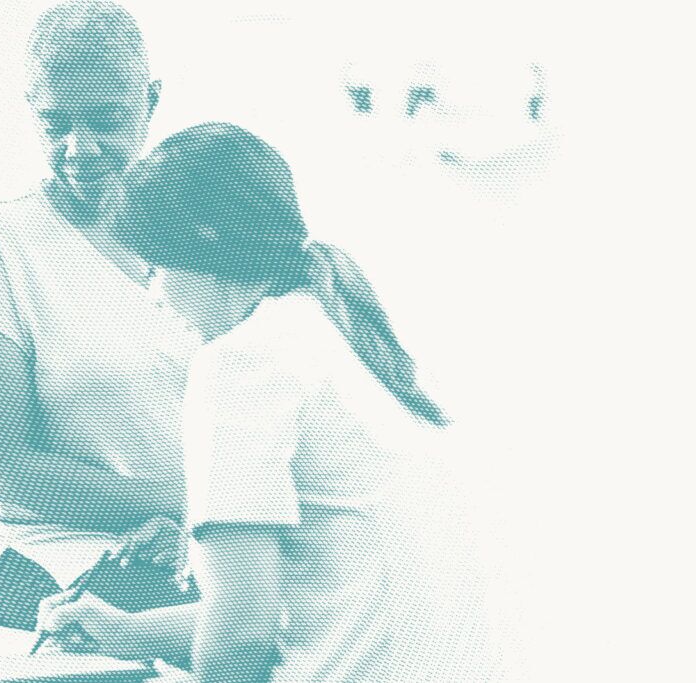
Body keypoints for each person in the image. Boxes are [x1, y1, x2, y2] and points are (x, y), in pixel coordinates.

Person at [37, 122, 448, 681]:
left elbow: (242, 634)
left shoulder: (242, 363)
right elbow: (294, 602)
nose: (154, 294)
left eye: (156, 266)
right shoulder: (338, 333)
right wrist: (130, 634)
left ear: (204, 242)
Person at [0, 0, 200, 631]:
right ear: (31, 110)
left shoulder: (188, 240)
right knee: (234, 634)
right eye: (55, 124)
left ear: (150, 101)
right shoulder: (0, 242)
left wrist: (195, 522)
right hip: (35, 549)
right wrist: (200, 505)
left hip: (169, 541)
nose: (80, 148)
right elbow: (10, 472)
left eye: (106, 119)